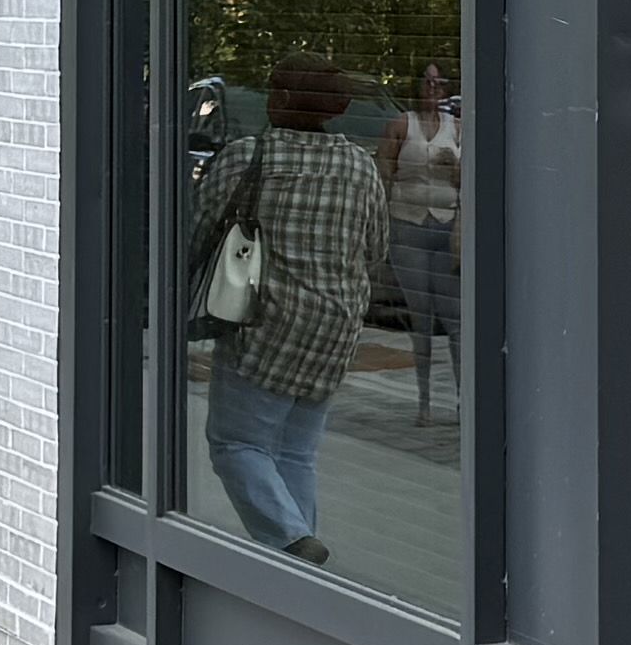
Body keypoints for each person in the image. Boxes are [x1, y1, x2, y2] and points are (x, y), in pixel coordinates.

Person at [192, 49, 387, 564]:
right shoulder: (360, 166)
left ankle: (289, 541)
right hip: (335, 327)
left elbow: (200, 227)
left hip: (265, 323)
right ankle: (296, 568)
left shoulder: (249, 155)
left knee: (236, 444)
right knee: (296, 452)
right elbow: (375, 249)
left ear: (281, 98)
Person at [375, 60, 464, 421]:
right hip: (407, 224)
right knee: (420, 315)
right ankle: (424, 401)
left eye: (439, 83)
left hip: (446, 226)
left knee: (455, 318)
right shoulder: (401, 125)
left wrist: (452, 169)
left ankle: (463, 400)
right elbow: (383, 173)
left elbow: (470, 181)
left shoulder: (457, 128)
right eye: (428, 82)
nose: (434, 89)